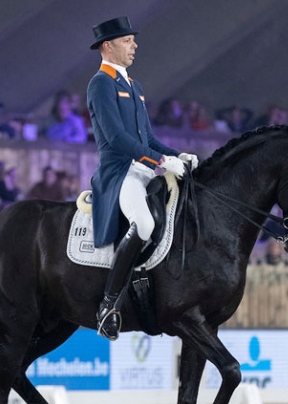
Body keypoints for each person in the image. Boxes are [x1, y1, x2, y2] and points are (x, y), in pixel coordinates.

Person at [87, 16, 198, 340]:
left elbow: (147, 137)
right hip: (119, 171)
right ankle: (108, 303)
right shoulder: (101, 83)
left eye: (133, 40)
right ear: (108, 46)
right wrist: (162, 161)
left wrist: (177, 155)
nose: (134, 45)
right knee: (146, 224)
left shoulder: (134, 86)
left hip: (144, 167)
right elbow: (118, 137)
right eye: (127, 41)